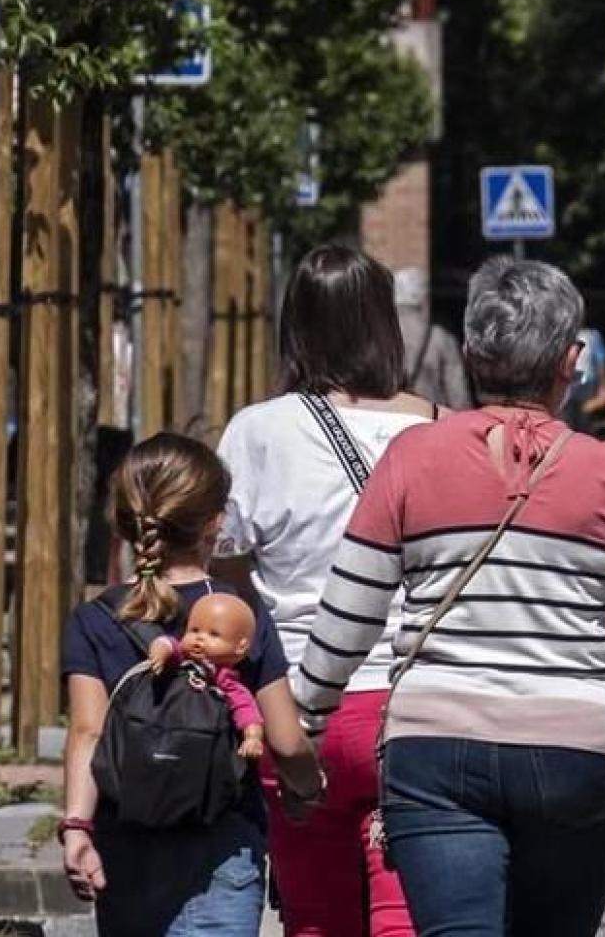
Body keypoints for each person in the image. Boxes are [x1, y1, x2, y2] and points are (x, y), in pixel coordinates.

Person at [294, 258, 605, 936]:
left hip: (436, 747)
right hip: (572, 746)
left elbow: (348, 616)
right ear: (572, 361)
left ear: (468, 353)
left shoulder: (410, 458)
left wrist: (306, 723)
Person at [212, 245, 437, 937]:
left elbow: (225, 578)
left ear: (296, 327)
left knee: (314, 917)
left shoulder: (257, 432)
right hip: (415, 705)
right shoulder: (441, 428)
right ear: (385, 326)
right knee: (408, 916)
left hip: (298, 711)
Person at [61, 434, 324, 937]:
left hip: (126, 844)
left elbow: (88, 732)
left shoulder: (94, 620)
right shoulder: (240, 613)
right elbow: (287, 739)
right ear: (214, 523)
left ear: (125, 520)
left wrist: (77, 827)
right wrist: (308, 787)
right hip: (221, 843)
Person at [146, 593, 267, 759]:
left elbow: (246, 710)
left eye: (214, 634)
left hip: (200, 741)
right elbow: (168, 644)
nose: (199, 638)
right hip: (162, 726)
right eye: (194, 630)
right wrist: (159, 652)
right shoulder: (182, 658)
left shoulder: (225, 681)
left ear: (240, 647)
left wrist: (252, 737)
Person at [395, 266, 471, 411]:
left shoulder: (378, 335)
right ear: (424, 297)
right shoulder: (440, 337)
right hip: (431, 417)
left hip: (390, 418)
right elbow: (458, 395)